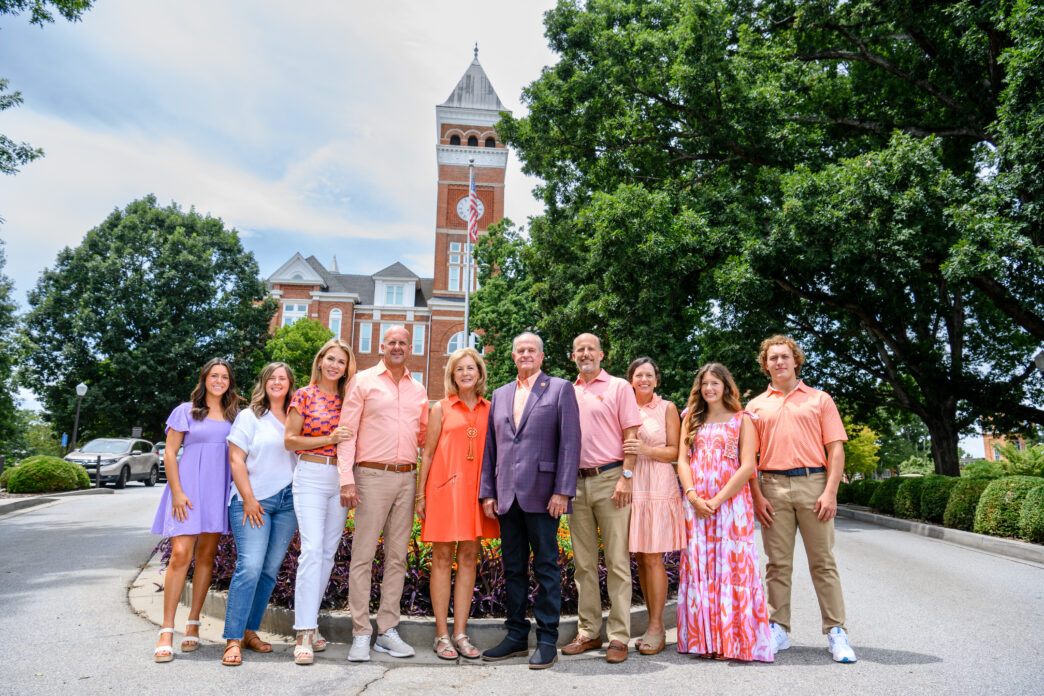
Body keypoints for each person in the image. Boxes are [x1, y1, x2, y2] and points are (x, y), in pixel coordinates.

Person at [746, 335, 856, 663]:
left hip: (814, 484)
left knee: (822, 562)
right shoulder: (755, 407)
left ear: (796, 360)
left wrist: (831, 492)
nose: (779, 362)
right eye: (773, 358)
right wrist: (756, 496)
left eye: (785, 357)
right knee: (777, 564)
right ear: (765, 365)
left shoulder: (820, 400)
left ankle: (836, 631)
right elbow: (748, 458)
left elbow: (835, 448)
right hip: (772, 488)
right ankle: (778, 627)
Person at [479, 332, 580, 670]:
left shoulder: (560, 389)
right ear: (512, 356)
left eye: (531, 350)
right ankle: (516, 636)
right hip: (507, 495)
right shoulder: (500, 393)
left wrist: (562, 491)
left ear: (541, 356)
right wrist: (488, 492)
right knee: (513, 568)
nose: (525, 354)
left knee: (547, 568)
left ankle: (547, 638)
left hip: (544, 495)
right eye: (520, 350)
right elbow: (491, 448)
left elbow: (569, 443)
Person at [337, 325, 429, 662]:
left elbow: (424, 439)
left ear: (410, 347)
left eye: (403, 342)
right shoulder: (362, 381)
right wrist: (346, 478)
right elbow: (346, 433)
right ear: (382, 345)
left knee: (397, 558)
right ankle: (361, 632)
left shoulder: (418, 389)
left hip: (407, 477)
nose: (397, 346)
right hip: (371, 475)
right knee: (362, 556)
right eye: (392, 342)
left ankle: (387, 631)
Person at [675, 362, 773, 662]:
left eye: (715, 383)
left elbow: (747, 467)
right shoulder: (690, 417)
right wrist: (692, 496)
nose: (709, 388)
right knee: (700, 568)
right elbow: (682, 460)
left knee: (731, 570)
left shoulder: (742, 419)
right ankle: (704, 641)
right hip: (696, 507)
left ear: (726, 386)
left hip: (730, 507)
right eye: (704, 383)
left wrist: (716, 501)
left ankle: (733, 642)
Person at [151, 358, 240, 663]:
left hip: (218, 490)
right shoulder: (185, 411)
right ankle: (166, 629)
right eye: (214, 376)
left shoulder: (234, 415)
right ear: (204, 379)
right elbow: (170, 453)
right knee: (180, 555)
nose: (219, 381)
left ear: (230, 382)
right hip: (187, 492)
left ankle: (193, 621)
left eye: (224, 377)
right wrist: (177, 492)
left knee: (206, 556)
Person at [562, 333, 641, 664]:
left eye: (590, 349)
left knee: (617, 562)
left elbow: (632, 436)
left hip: (611, 480)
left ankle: (619, 636)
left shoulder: (619, 387)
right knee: (583, 564)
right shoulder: (568, 391)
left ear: (601, 354)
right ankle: (589, 631)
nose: (584, 354)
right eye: (579, 350)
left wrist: (625, 477)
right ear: (573, 356)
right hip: (576, 484)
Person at [417, 347, 499, 660]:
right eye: (459, 369)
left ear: (480, 374)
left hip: (475, 492)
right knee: (441, 557)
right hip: (442, 490)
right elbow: (427, 452)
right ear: (452, 375)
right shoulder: (440, 408)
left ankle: (461, 633)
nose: (465, 374)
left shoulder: (491, 409)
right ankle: (441, 635)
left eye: (471, 369)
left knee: (468, 557)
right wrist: (420, 494)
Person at [220, 362, 299, 666]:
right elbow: (236, 459)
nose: (277, 383)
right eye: (272, 378)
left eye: (283, 378)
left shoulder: (296, 417)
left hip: (288, 502)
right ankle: (232, 639)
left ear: (290, 384)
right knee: (250, 567)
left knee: (268, 570)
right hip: (253, 501)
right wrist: (249, 499)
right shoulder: (249, 416)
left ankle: (250, 632)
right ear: (264, 383)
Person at [284, 339, 356, 665]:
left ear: (346, 367)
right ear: (320, 360)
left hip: (338, 478)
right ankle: (303, 633)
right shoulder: (304, 395)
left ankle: (311, 625)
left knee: (327, 553)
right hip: (311, 475)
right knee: (312, 550)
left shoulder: (348, 399)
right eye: (330, 359)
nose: (334, 365)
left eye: (341, 362)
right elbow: (290, 440)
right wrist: (329, 439)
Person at [623, 357, 684, 656]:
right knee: (640, 558)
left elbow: (675, 450)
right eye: (638, 375)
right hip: (631, 485)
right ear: (631, 379)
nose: (644, 379)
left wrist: (646, 449)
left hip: (658, 485)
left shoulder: (667, 408)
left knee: (652, 559)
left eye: (649, 375)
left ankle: (657, 627)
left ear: (656, 380)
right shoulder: (623, 405)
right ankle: (652, 621)